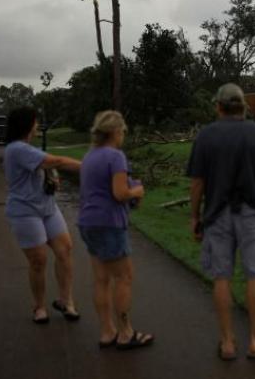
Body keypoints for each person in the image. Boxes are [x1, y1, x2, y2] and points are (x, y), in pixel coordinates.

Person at [187, 83, 255, 361]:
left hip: (216, 216)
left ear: (218, 106)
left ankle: (228, 343)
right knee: (254, 275)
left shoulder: (206, 136)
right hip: (252, 213)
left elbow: (197, 183)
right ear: (244, 106)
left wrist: (195, 216)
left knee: (222, 276)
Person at [77, 111, 154, 350]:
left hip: (87, 222)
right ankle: (125, 332)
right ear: (116, 132)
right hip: (109, 223)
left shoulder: (90, 156)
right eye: (123, 132)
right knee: (124, 277)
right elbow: (119, 193)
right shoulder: (116, 156)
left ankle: (107, 331)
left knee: (101, 279)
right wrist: (137, 192)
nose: (123, 136)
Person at [3, 107, 82, 324]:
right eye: (36, 122)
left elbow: (45, 167)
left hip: (47, 207)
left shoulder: (27, 148)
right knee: (38, 260)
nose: (38, 126)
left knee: (64, 249)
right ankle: (39, 307)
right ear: (28, 125)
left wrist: (50, 179)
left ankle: (67, 301)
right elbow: (56, 161)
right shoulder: (16, 149)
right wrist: (89, 167)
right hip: (25, 211)